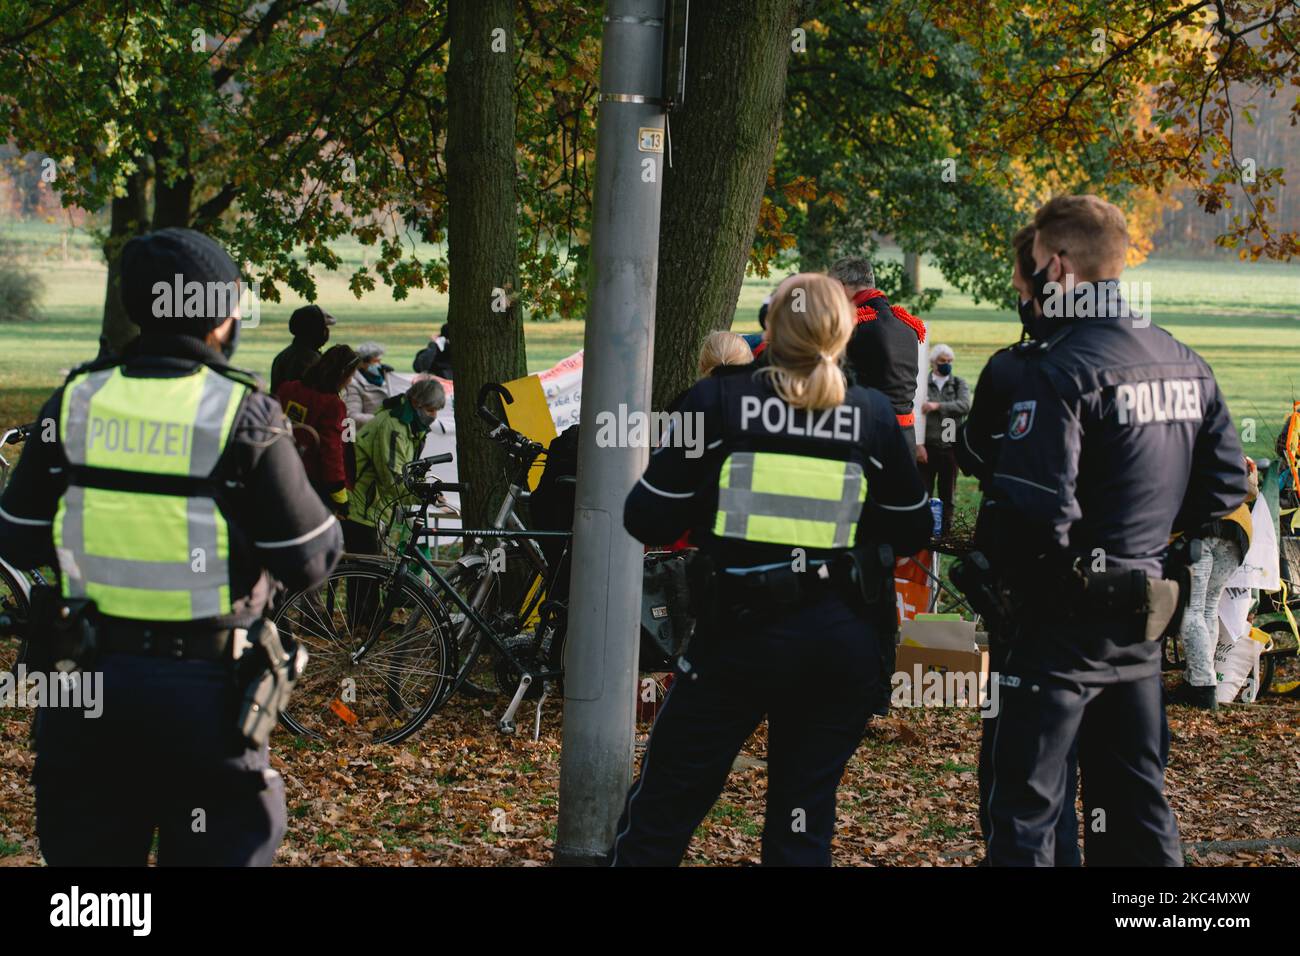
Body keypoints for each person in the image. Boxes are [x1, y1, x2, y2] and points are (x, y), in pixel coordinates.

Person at [0, 228, 343, 866]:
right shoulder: (244, 415)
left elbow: (16, 537)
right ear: (217, 314)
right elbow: (311, 558)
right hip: (206, 699)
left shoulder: (76, 400)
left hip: (86, 689)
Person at [609, 272, 931, 866]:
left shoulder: (718, 401)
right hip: (841, 644)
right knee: (801, 822)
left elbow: (647, 517)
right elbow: (914, 529)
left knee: (664, 808)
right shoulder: (871, 415)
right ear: (842, 335)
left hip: (739, 638)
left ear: (769, 329)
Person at [984, 195, 1247, 866]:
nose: (1034, 277)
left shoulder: (1059, 370)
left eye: (1039, 264)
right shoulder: (1184, 359)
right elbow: (1222, 490)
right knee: (1137, 802)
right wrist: (1143, 535)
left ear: (1062, 267)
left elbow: (1036, 512)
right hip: (1140, 621)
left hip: (1061, 623)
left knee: (1028, 811)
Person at [953, 224, 1082, 867]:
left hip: (1027, 590)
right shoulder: (1141, 355)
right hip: (1111, 595)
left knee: (1014, 747)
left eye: (1018, 282)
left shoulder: (1016, 368)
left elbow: (974, 449)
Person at [1171, 456, 1257, 709]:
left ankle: (1201, 686)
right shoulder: (1217, 443)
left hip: (1201, 528)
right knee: (1209, 607)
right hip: (1239, 529)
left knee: (1192, 608)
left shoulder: (1178, 444)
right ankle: (1198, 679)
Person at [828, 256, 927, 449]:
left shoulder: (852, 326)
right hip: (906, 436)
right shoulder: (907, 325)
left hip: (869, 432)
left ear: (839, 287)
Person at [345, 378, 447, 557]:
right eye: (430, 410)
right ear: (416, 403)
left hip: (372, 508)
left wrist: (424, 487)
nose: (434, 416)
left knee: (370, 575)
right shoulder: (394, 427)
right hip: (362, 509)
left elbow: (405, 468)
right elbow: (393, 478)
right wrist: (423, 494)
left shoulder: (407, 423)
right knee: (366, 578)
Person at [275, 344, 360, 518]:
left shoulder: (288, 389)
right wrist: (340, 498)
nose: (350, 381)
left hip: (280, 469)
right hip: (312, 485)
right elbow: (332, 453)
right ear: (343, 375)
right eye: (351, 376)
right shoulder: (333, 405)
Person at [917, 343, 970, 536]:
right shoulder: (922, 384)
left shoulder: (958, 384)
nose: (946, 364)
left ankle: (945, 534)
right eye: (942, 361)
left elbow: (964, 405)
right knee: (923, 494)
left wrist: (937, 406)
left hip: (949, 448)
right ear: (933, 363)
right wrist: (918, 445)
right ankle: (922, 532)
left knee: (948, 495)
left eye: (949, 361)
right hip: (926, 448)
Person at [270, 304, 335, 392]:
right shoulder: (311, 361)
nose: (326, 332)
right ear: (315, 331)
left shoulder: (282, 356)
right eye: (324, 328)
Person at [344, 341, 393, 427]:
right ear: (362, 363)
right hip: (368, 433)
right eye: (375, 361)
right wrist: (382, 419)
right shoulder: (353, 384)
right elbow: (352, 416)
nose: (378, 365)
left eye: (379, 361)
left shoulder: (383, 378)